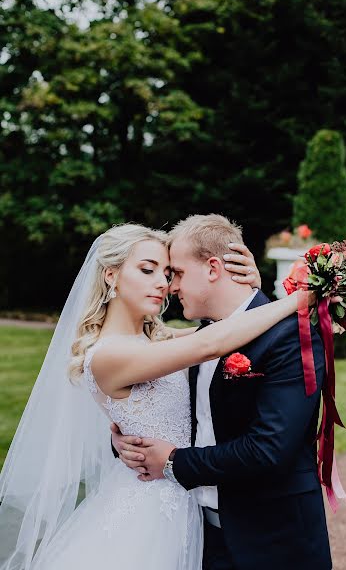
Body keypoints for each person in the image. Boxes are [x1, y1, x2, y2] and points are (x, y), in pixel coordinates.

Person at [0, 221, 307, 570]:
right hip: (148, 508)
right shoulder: (107, 355)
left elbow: (232, 323)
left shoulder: (157, 340)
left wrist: (247, 288)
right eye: (148, 270)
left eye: (167, 272)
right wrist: (298, 299)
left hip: (187, 503)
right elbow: (211, 343)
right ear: (111, 276)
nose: (163, 283)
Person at [113, 214, 332, 570]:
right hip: (199, 535)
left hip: (273, 539)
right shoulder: (201, 338)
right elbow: (168, 412)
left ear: (213, 268)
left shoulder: (291, 336)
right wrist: (128, 444)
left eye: (178, 273)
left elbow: (268, 449)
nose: (170, 287)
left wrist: (172, 462)